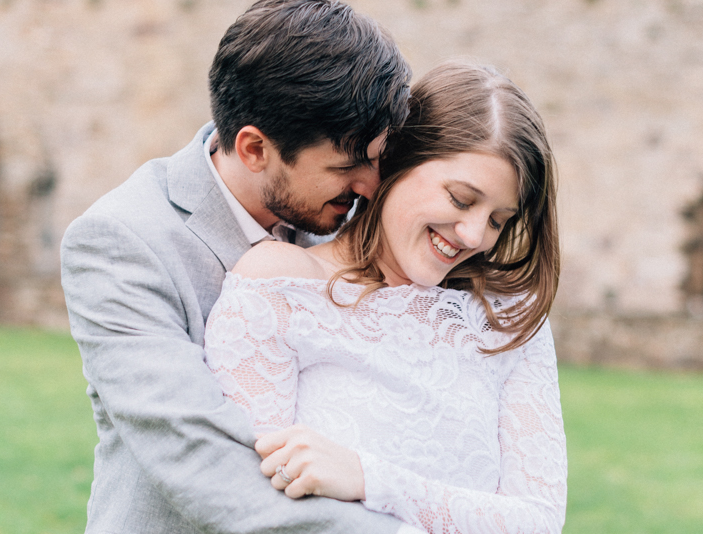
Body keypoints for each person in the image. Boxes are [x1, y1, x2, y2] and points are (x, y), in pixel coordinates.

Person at [59, 0, 413, 532]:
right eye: (347, 167)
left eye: (377, 160)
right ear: (254, 148)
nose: (370, 187)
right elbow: (200, 457)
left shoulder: (357, 219)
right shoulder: (121, 241)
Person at [203, 62, 567, 534]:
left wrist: (369, 479)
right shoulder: (280, 287)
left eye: (499, 220)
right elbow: (248, 504)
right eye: (460, 199)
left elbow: (537, 521)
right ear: (392, 164)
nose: (475, 235)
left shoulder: (511, 318)